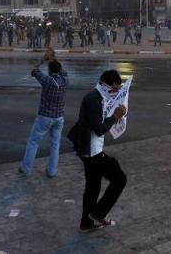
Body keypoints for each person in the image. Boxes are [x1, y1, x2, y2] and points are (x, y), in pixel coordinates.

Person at [68, 69, 127, 233]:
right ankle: (98, 213)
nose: (115, 93)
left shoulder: (100, 97)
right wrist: (115, 117)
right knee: (120, 179)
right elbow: (99, 129)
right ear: (106, 85)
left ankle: (86, 222)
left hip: (89, 151)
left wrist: (118, 114)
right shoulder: (94, 99)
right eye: (114, 89)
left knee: (92, 187)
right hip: (92, 152)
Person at [19, 48, 69, 177]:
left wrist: (43, 59)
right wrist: (53, 58)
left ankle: (26, 169)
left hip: (44, 117)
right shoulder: (65, 80)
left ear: (50, 71)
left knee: (33, 142)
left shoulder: (47, 81)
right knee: (55, 144)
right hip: (59, 117)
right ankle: (51, 171)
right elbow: (61, 69)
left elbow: (34, 70)